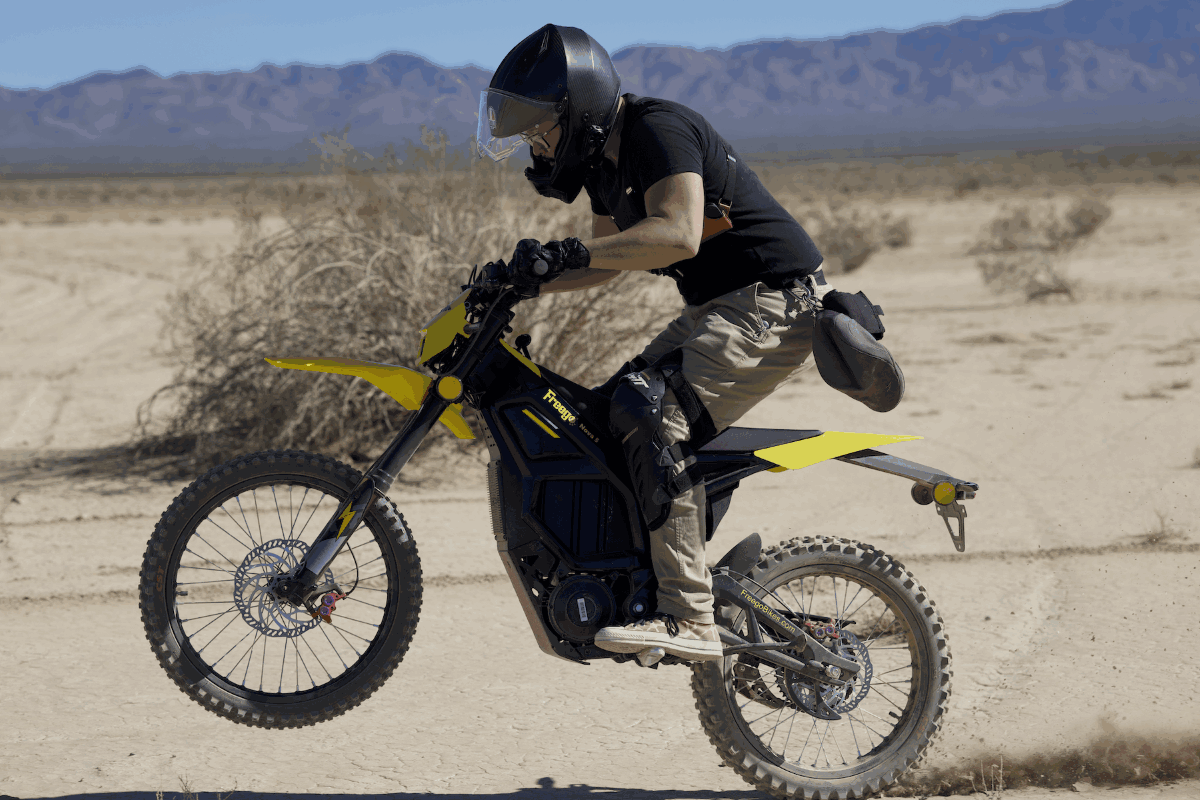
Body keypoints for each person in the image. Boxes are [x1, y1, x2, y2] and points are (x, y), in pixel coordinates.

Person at [477, 24, 830, 663]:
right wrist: (523, 282)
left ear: (578, 108)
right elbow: (610, 260)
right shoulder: (603, 162)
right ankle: (640, 582)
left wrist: (568, 253)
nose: (535, 143)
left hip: (774, 302)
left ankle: (689, 616)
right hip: (719, 307)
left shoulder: (655, 131)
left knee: (654, 412)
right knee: (598, 420)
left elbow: (677, 234)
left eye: (539, 128)